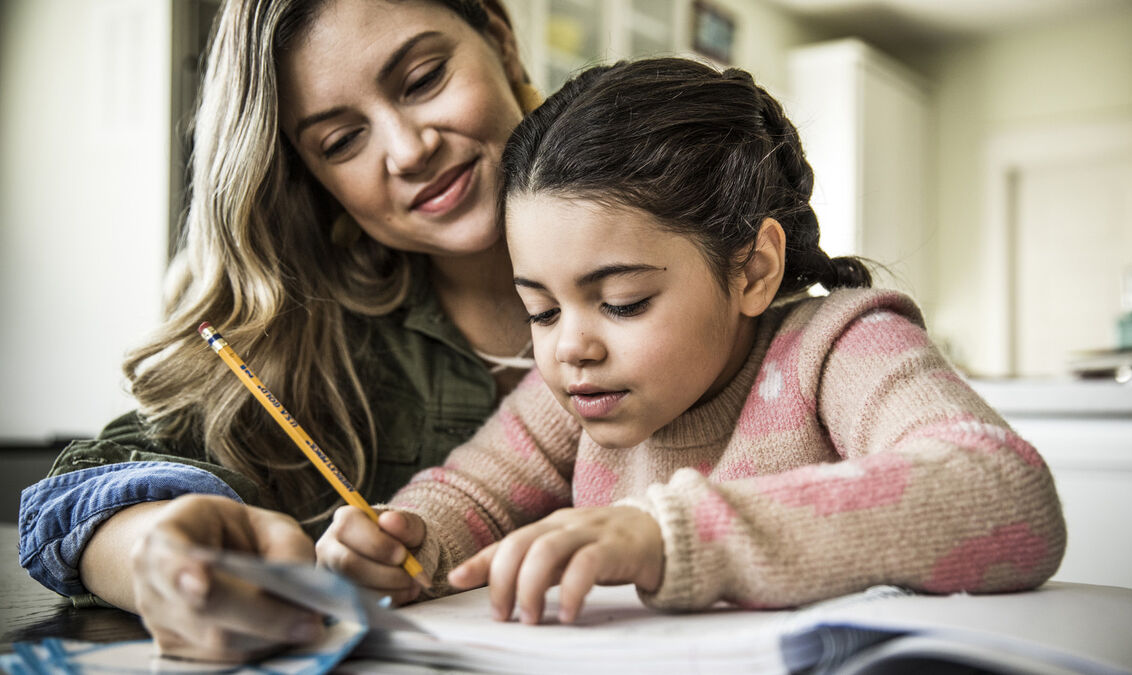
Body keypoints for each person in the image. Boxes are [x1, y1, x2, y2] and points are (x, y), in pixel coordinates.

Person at [317, 57, 1068, 626]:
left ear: (752, 268)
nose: (570, 346)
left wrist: (669, 533)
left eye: (622, 301)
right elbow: (468, 493)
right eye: (541, 311)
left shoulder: (839, 346)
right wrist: (403, 545)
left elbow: (1006, 494)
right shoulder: (575, 394)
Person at [18, 0, 541, 662]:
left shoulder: (692, 220)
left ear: (499, 38)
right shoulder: (311, 348)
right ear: (312, 176)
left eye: (423, 79)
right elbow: (71, 495)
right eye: (341, 141)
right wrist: (160, 555)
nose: (410, 150)